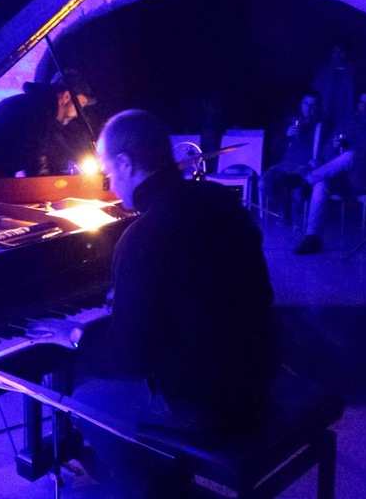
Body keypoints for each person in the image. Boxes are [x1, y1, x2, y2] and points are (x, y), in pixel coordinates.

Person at [72, 109, 279, 497]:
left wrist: (76, 338)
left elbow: (130, 362)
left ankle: (149, 488)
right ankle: (160, 473)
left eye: (108, 172)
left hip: (206, 405)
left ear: (126, 163)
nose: (110, 185)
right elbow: (249, 292)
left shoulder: (142, 236)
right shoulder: (220, 199)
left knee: (85, 399)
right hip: (259, 375)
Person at [294, 92, 366, 255]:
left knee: (351, 155)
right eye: (361, 102)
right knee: (321, 183)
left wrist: (356, 150)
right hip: (340, 178)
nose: (364, 106)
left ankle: (307, 180)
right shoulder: (347, 124)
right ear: (357, 105)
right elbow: (325, 155)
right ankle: (312, 238)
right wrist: (333, 147)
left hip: (363, 177)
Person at [0, 69, 96, 177]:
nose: (78, 114)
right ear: (67, 97)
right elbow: (35, 162)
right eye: (80, 106)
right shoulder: (39, 111)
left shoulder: (37, 105)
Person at [259, 91, 326, 223]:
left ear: (317, 107)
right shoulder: (292, 121)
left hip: (306, 166)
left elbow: (327, 149)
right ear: (301, 104)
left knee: (300, 192)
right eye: (306, 103)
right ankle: (284, 209)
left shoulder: (321, 126)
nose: (308, 108)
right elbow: (276, 146)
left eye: (312, 105)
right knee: (263, 183)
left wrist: (319, 160)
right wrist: (286, 135)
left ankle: (297, 218)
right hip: (286, 164)